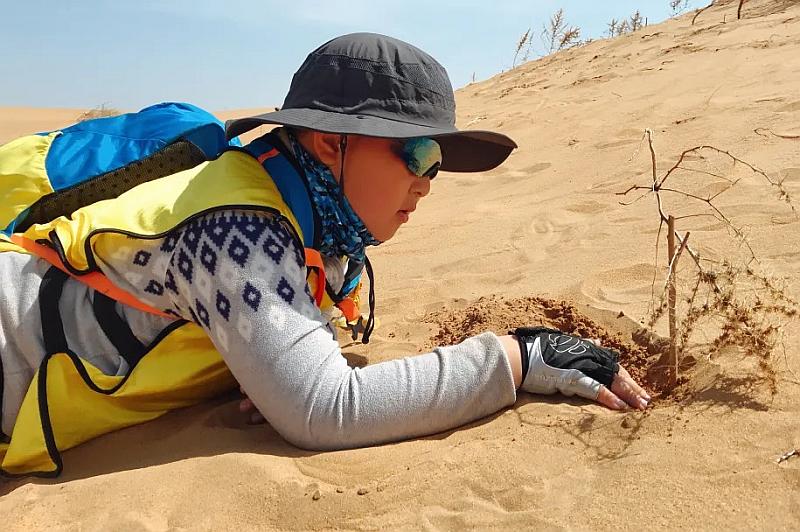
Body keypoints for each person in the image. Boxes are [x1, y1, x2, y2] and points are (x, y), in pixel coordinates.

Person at [0, 33, 649, 476]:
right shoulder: (236, 226)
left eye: (438, 162)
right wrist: (519, 357)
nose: (427, 179)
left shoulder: (317, 229)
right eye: (416, 153)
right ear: (327, 144)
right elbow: (323, 410)